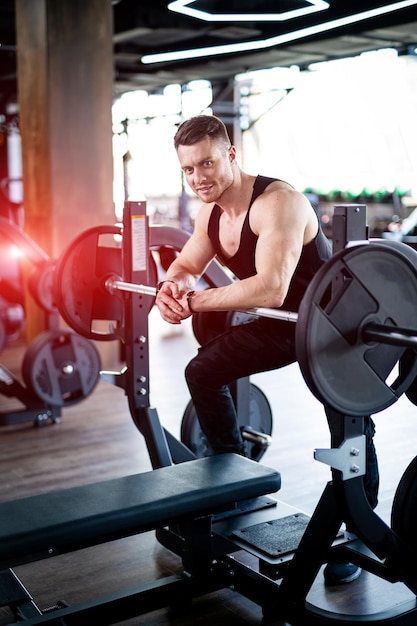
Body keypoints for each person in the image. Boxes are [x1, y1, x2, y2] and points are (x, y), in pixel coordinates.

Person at [155, 114, 378, 585]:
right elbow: (188, 262)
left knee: (346, 419)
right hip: (283, 326)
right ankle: (233, 477)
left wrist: (194, 302)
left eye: (208, 163)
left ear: (231, 155)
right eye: (188, 170)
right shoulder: (210, 212)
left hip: (333, 326)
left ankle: (362, 525)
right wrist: (171, 289)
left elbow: (271, 287)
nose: (199, 178)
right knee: (203, 372)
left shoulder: (278, 203)